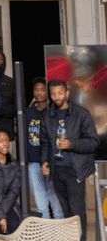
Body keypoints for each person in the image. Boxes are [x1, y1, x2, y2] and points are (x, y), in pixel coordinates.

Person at [40, 80, 98, 241]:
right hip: (56, 170)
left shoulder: (81, 114)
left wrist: (72, 144)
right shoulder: (46, 115)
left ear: (67, 93)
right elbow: (44, 142)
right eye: (52, 94)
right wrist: (44, 161)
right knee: (65, 213)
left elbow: (93, 142)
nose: (56, 97)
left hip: (75, 171)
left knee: (77, 213)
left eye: (60, 93)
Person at [25, 78, 63, 220]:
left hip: (52, 162)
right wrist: (27, 159)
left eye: (42, 89)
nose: (39, 92)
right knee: (41, 207)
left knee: (57, 206)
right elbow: (23, 136)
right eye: (36, 89)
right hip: (34, 163)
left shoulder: (54, 112)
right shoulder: (27, 112)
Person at [0, 51, 17, 135]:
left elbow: (17, 107)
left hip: (5, 128)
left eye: (0, 58)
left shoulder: (11, 82)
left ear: (4, 62)